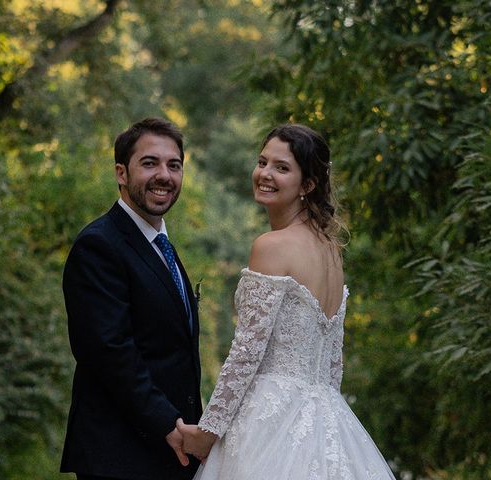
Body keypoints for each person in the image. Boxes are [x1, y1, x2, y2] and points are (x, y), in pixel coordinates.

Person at [177, 124, 396, 479]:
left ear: (307, 185)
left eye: (281, 168)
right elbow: (332, 365)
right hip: (327, 420)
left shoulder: (271, 246)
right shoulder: (331, 251)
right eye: (262, 162)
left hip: (270, 422)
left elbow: (247, 352)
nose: (265, 174)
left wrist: (208, 432)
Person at [60, 117, 202, 480]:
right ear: (121, 173)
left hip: (171, 452)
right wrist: (167, 424)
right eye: (150, 163)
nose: (165, 176)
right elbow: (109, 351)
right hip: (120, 454)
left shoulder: (162, 247)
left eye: (174, 165)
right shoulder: (99, 245)